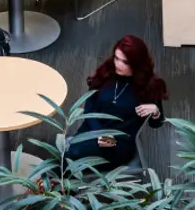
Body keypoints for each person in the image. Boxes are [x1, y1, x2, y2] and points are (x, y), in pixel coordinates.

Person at [66, 36, 167, 171]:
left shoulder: (149, 86)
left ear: (136, 63)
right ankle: (55, 184)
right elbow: (89, 109)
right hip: (92, 129)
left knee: (73, 156)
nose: (118, 64)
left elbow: (156, 123)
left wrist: (156, 111)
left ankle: (47, 182)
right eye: (116, 58)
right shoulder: (106, 72)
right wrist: (99, 133)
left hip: (118, 142)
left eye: (124, 62)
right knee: (72, 155)